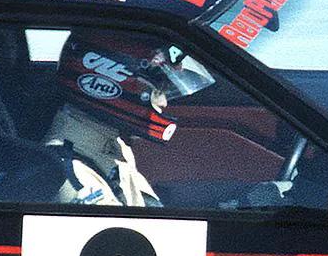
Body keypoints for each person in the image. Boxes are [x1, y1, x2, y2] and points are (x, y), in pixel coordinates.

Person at [44, 30, 215, 206]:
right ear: (111, 82)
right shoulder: (74, 177)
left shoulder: (114, 143)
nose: (164, 103)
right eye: (158, 91)